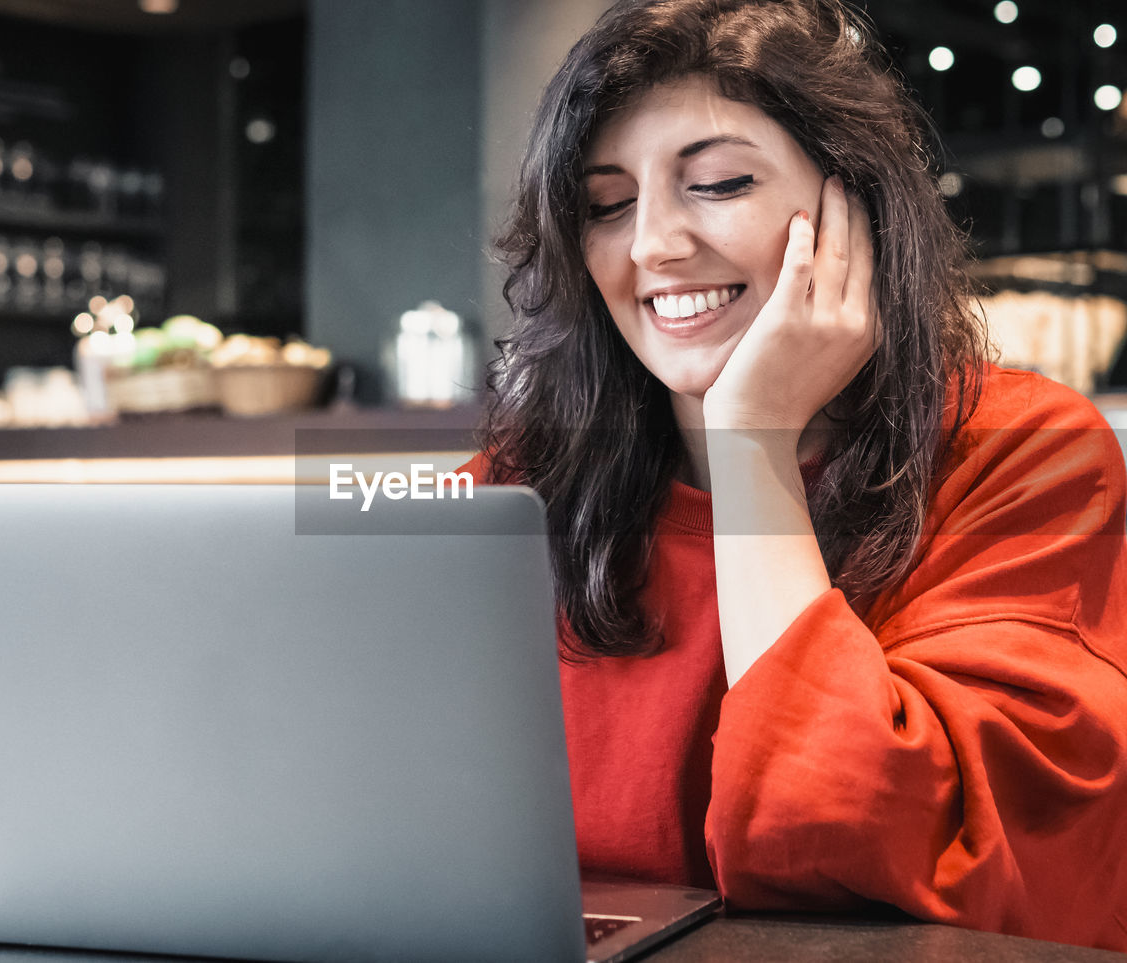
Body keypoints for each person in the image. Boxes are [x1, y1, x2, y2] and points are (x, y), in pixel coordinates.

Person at [464, 0, 1127, 951]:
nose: (652, 244)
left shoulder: (1022, 455)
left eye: (718, 183)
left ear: (854, 205)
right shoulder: (522, 486)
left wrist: (751, 443)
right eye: (607, 205)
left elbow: (844, 838)